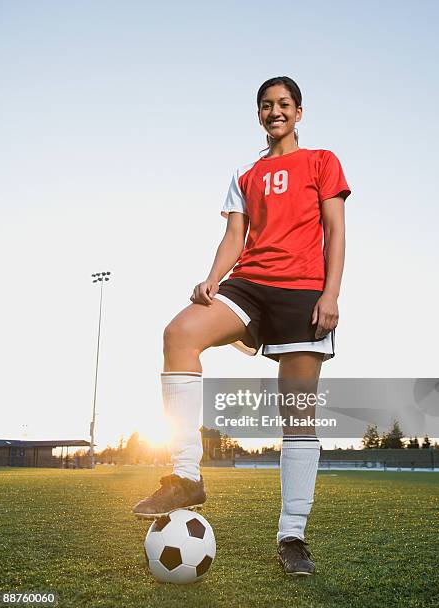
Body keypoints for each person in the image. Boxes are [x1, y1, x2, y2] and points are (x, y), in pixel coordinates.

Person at [133, 75, 352, 577]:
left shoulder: (322, 161)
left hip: (302, 292)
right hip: (248, 284)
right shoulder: (246, 172)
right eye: (266, 105)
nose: (275, 112)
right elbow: (235, 235)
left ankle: (292, 536)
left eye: (284, 104)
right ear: (259, 115)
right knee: (179, 334)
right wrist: (211, 279)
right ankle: (187, 475)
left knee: (297, 416)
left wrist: (331, 292)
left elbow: (336, 229)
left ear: (299, 112)